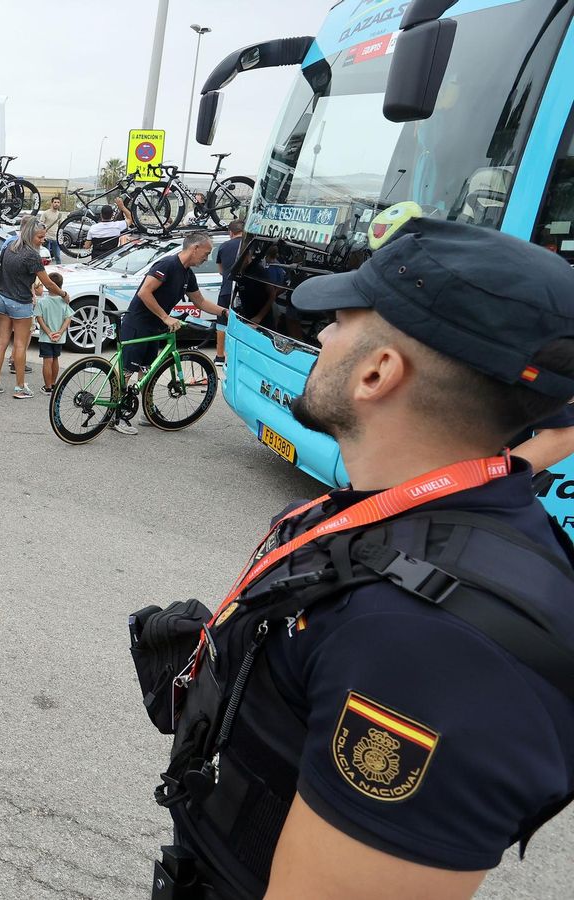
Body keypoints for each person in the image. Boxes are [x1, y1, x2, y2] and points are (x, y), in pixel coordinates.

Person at [146, 217, 574, 900]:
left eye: (340, 321)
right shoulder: (442, 504)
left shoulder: (427, 650)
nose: (319, 336)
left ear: (378, 372)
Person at [113, 232, 223, 436]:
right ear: (195, 248)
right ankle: (115, 415)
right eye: (206, 253)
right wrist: (165, 317)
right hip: (138, 324)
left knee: (146, 372)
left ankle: (147, 411)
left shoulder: (187, 274)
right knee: (126, 371)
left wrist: (225, 313)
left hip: (154, 327)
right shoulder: (167, 265)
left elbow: (200, 302)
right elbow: (144, 292)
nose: (206, 258)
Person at [0, 216, 66, 398]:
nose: (43, 240)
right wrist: (64, 294)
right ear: (31, 235)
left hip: (2, 298)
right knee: (19, 345)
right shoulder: (32, 255)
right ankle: (19, 388)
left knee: (1, 342)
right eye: (40, 237)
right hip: (20, 302)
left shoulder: (10, 246)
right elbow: (48, 283)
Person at [213, 218, 246, 368]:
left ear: (230, 232)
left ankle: (220, 356)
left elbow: (220, 270)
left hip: (226, 289)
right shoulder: (249, 245)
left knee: (221, 322)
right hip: (246, 290)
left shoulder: (224, 246)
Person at [34, 271, 71, 393]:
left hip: (46, 337)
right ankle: (54, 384)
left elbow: (39, 318)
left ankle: (47, 386)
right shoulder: (63, 302)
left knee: (47, 360)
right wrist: (60, 332)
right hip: (59, 337)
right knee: (55, 359)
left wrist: (49, 332)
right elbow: (68, 319)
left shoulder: (42, 302)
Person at [39, 196, 65, 264]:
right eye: (55, 202)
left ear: (60, 204)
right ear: (52, 203)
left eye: (58, 202)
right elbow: (41, 225)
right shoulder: (45, 213)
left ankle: (59, 271)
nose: (56, 204)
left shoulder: (60, 215)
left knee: (57, 256)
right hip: (46, 238)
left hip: (55, 238)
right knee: (46, 257)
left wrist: (61, 237)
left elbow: (61, 226)